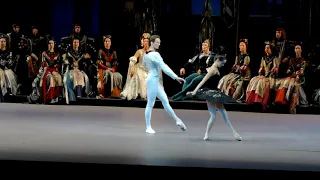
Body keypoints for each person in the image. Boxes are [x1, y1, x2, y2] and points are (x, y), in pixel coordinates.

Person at [186, 52, 242, 141]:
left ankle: (209, 134)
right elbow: (203, 81)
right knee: (219, 115)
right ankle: (232, 134)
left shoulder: (215, 69)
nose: (223, 65)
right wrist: (195, 91)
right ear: (217, 60)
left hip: (214, 93)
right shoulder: (212, 70)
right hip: (210, 93)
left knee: (219, 115)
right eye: (222, 63)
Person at [142, 35, 187, 134]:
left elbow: (144, 65)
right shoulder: (155, 54)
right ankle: (148, 127)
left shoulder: (146, 53)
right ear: (152, 42)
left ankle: (177, 120)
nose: (159, 44)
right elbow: (164, 67)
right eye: (157, 42)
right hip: (152, 79)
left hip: (152, 79)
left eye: (159, 42)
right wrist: (175, 77)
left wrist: (151, 71)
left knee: (165, 101)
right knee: (150, 103)